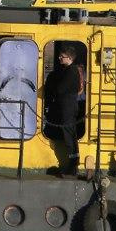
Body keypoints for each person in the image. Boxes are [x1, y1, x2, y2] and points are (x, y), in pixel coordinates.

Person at [42, 46, 82, 176]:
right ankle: (71, 162)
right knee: (66, 133)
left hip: (68, 107)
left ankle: (73, 163)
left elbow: (60, 89)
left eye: (62, 56)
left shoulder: (71, 72)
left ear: (69, 58)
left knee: (69, 134)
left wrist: (52, 87)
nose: (59, 58)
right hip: (65, 106)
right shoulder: (67, 70)